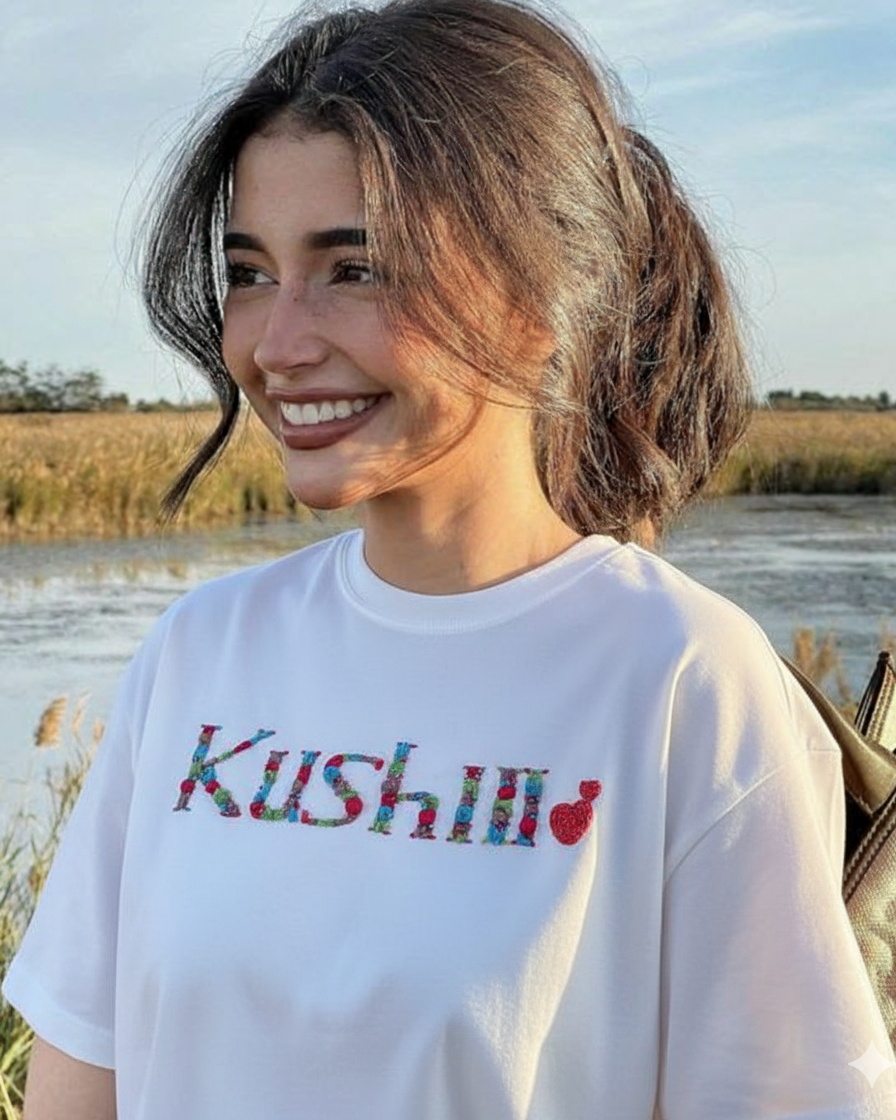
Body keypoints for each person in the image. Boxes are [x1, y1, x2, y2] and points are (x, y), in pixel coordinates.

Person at [4, 1, 894, 1117]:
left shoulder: (681, 681)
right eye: (250, 270)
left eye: (355, 268)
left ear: (536, 300)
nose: (276, 343)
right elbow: (82, 1071)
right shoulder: (201, 653)